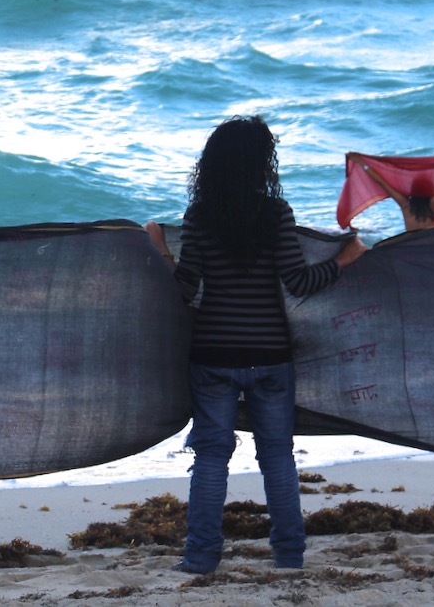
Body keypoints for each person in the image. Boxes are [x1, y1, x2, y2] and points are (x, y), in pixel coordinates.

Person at [144, 115, 366, 574]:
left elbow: (184, 289)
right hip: (270, 357)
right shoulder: (275, 214)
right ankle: (289, 556)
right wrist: (345, 259)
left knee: (210, 458)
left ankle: (201, 558)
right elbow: (299, 281)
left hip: (212, 357)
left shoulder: (200, 217)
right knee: (277, 457)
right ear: (262, 164)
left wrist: (159, 248)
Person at [348, 152, 434, 232]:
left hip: (409, 241)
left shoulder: (405, 205)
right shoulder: (433, 205)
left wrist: (361, 163)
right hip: (430, 241)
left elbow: (381, 182)